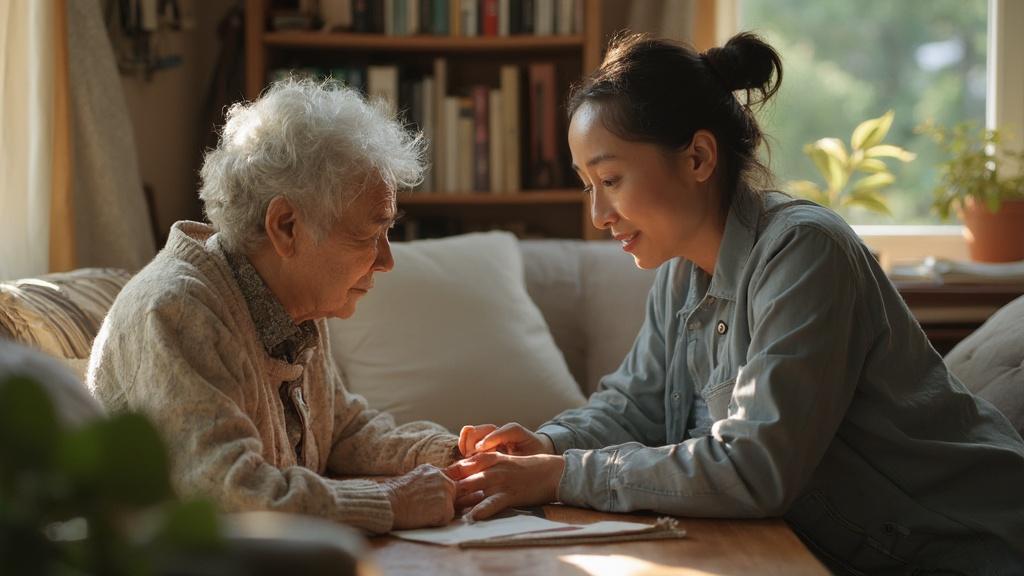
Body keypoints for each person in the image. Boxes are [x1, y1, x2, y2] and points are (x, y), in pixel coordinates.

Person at [448, 33, 1024, 574]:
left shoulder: (805, 251)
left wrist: (560, 475)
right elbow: (633, 406)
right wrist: (546, 445)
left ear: (698, 158)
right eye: (587, 185)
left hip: (964, 551)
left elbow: (756, 465)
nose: (598, 215)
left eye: (613, 179)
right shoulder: (681, 274)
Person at [89, 79, 463, 534]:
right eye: (368, 236)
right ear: (286, 226)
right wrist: (389, 501)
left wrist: (456, 453)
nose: (387, 261)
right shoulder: (177, 311)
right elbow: (231, 495)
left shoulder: (292, 303)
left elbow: (342, 432)